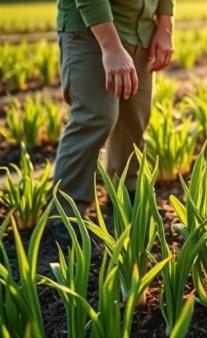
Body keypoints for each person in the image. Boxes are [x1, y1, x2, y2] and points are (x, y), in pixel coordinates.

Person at [50, 0, 175, 245]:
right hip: (91, 32)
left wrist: (165, 24)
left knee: (135, 117)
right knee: (96, 116)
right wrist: (111, 47)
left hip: (141, 31)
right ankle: (66, 211)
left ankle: (125, 192)